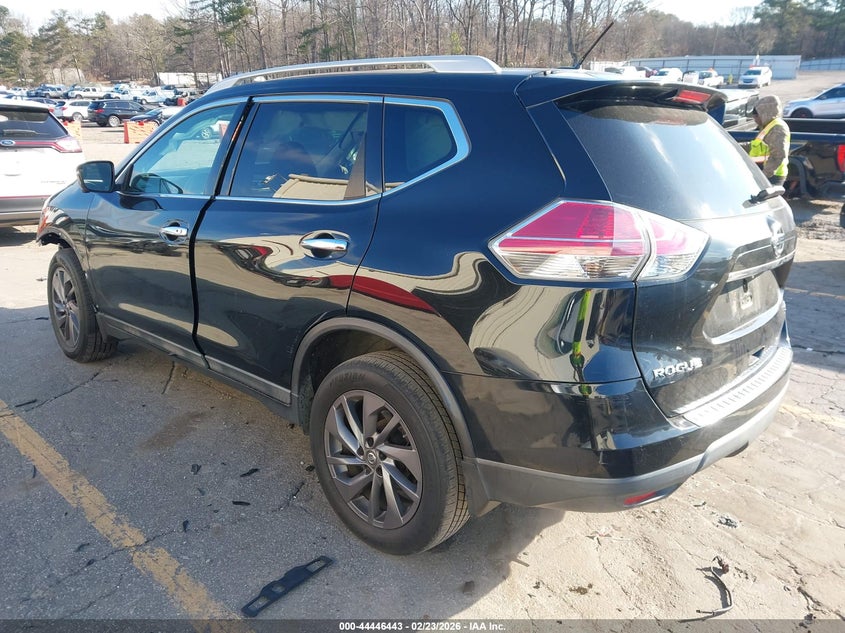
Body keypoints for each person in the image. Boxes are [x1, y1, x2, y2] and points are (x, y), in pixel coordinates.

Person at [743, 94, 791, 186]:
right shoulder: (769, 126)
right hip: (765, 173)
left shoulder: (777, 128)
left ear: (764, 114)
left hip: (772, 176)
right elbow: (756, 146)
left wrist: (764, 176)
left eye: (756, 117)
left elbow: (778, 156)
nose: (755, 120)